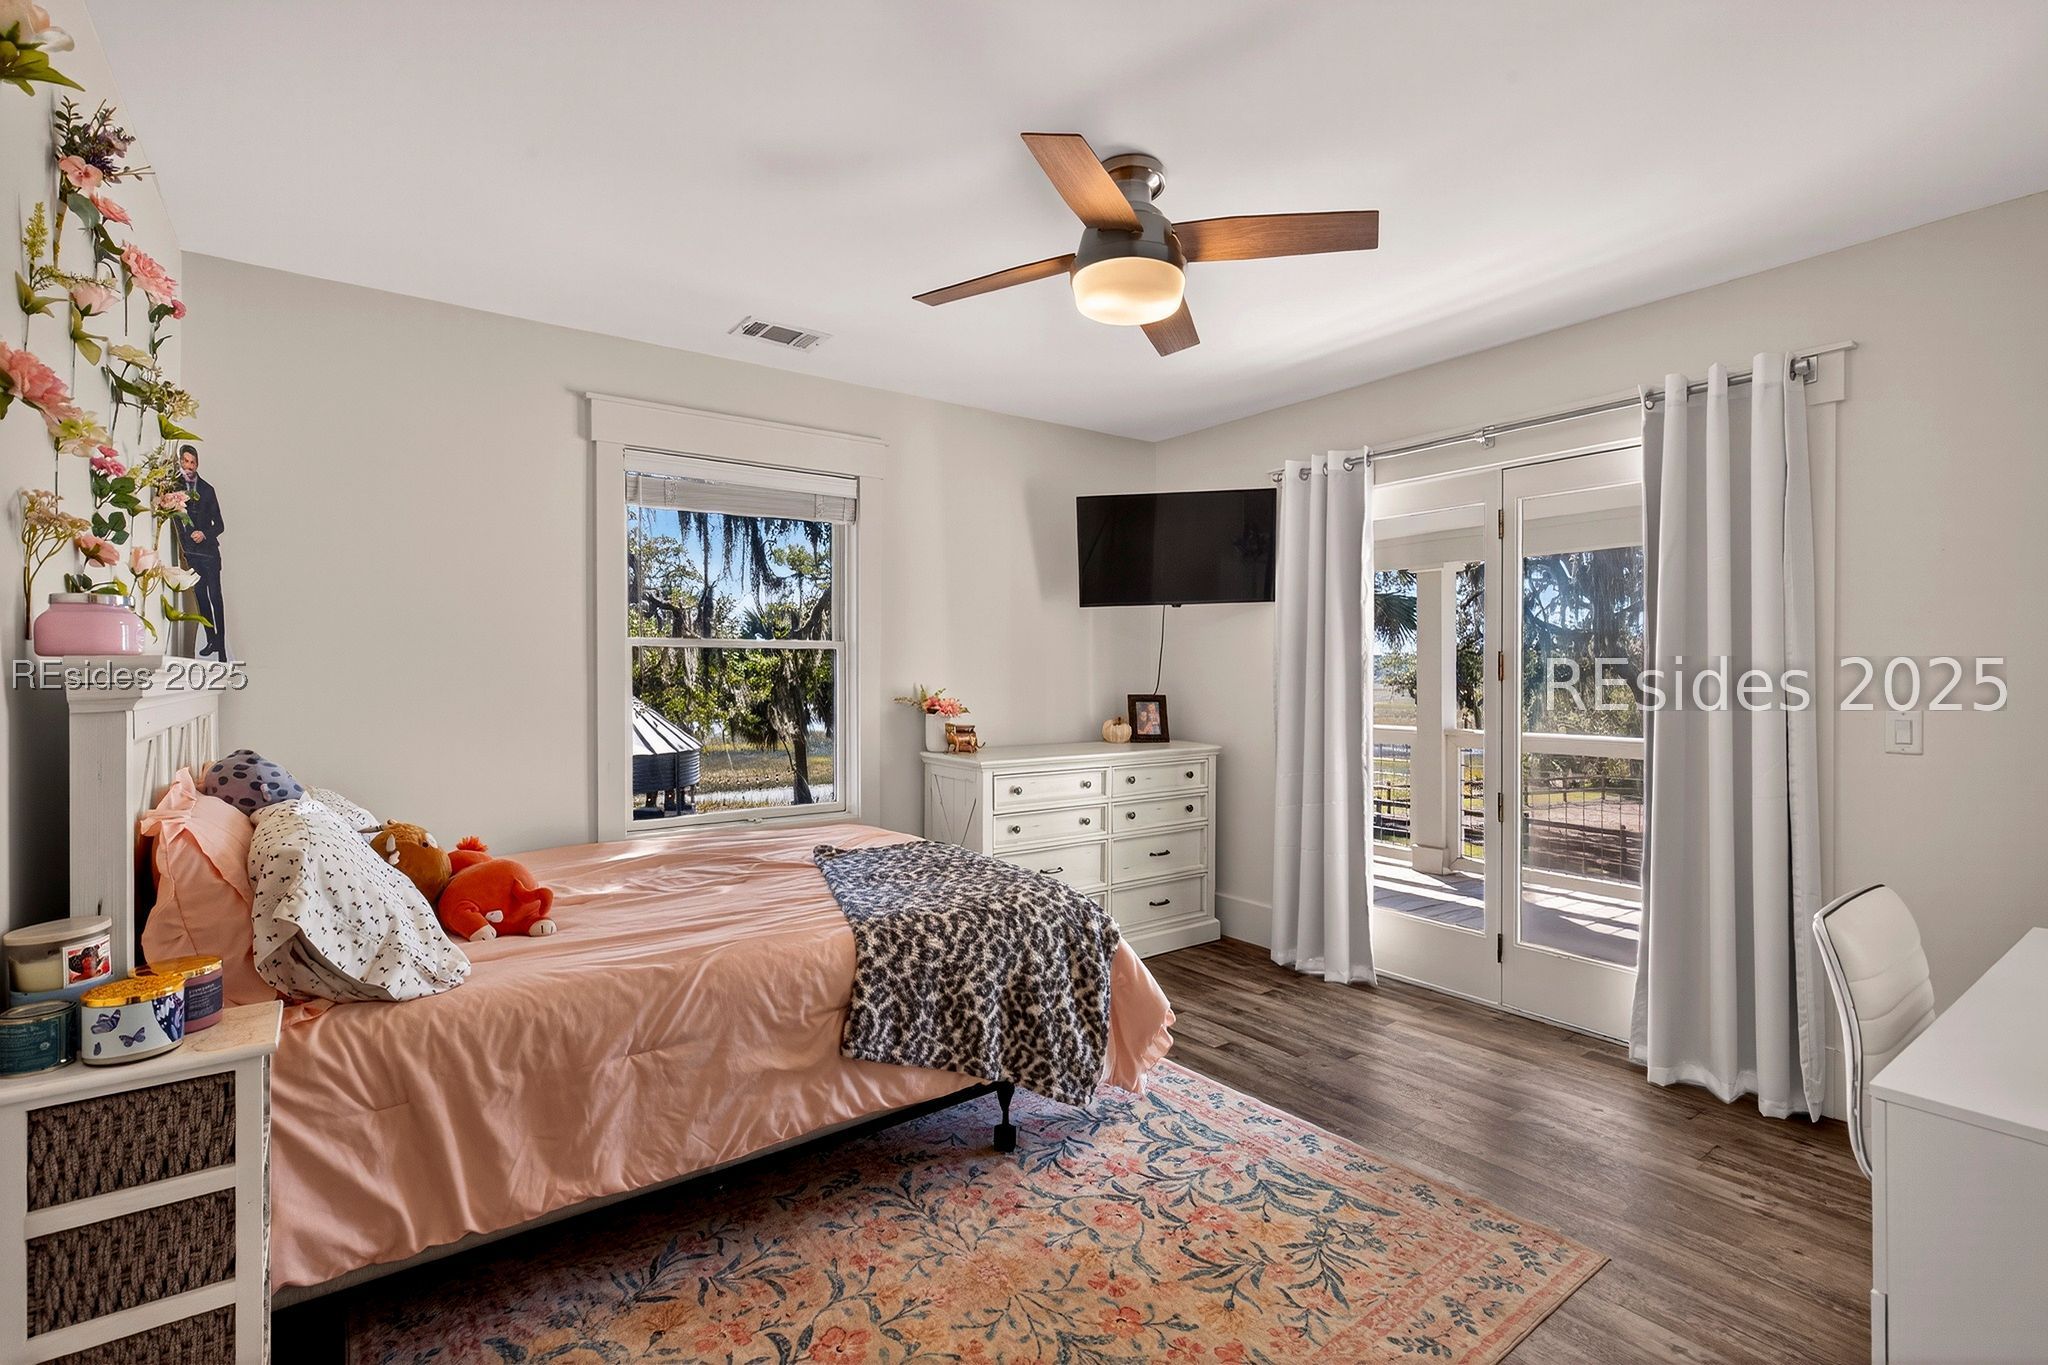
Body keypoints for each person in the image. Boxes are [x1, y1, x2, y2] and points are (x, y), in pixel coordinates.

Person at [174, 444, 228, 660]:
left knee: (215, 597)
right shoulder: (174, 488)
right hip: (192, 554)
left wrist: (204, 533)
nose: (189, 466)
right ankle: (211, 639)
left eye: (192, 462)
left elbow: (220, 525)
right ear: (180, 462)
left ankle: (221, 646)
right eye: (185, 461)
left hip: (210, 552)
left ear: (197, 464)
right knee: (201, 598)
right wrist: (186, 544)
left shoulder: (207, 489)